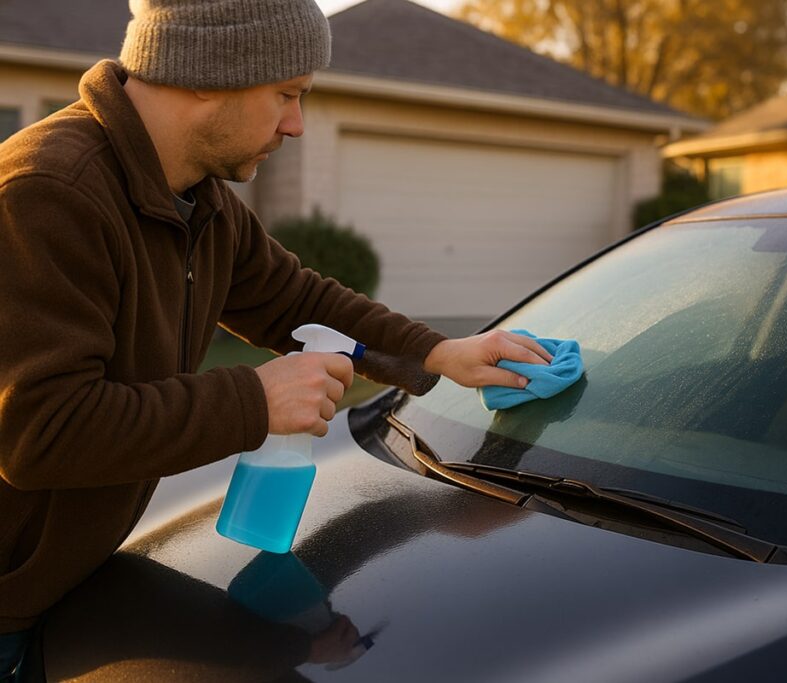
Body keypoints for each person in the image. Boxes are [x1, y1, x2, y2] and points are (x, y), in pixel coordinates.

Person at [0, 0, 553, 678]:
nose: (296, 124)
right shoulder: (46, 194)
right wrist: (253, 400)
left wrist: (438, 353)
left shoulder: (197, 199)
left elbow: (292, 298)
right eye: (287, 94)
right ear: (210, 73)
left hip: (67, 589)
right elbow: (38, 430)